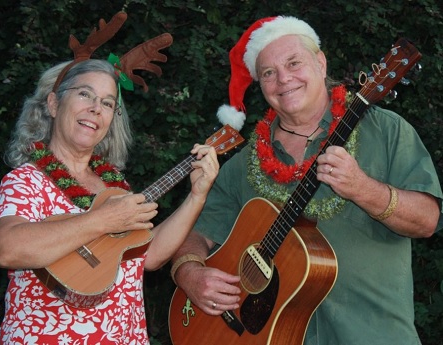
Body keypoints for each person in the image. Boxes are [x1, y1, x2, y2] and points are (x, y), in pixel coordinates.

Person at [170, 15, 443, 344]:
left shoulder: (386, 131)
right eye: (269, 72)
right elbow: (193, 232)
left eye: (293, 62)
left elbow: (427, 220)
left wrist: (363, 189)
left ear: (321, 63)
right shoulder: (241, 165)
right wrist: (189, 271)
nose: (284, 79)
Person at [0, 15, 220, 345]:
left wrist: (197, 195)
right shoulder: (26, 181)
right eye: (85, 94)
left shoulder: (115, 188)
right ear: (54, 104)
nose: (96, 108)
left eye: (108, 103)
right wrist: (102, 220)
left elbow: (147, 255)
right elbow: (5, 249)